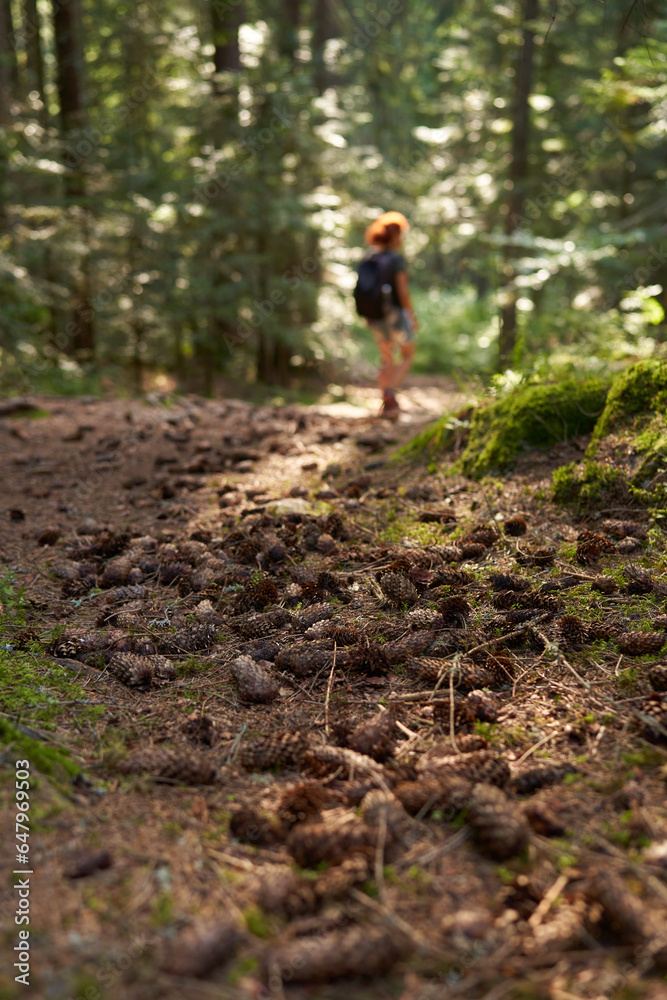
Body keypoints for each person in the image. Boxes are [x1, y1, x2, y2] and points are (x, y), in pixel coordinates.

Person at [363, 211, 418, 419]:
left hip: (375, 316)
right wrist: (411, 316)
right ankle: (390, 392)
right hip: (394, 313)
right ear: (396, 235)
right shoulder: (396, 260)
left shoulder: (370, 257)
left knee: (386, 358)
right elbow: (403, 292)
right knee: (408, 353)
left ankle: (385, 402)